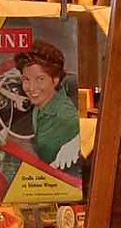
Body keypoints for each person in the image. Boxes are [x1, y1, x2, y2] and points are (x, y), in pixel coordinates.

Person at [14, 40, 80, 170]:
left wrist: (77, 143)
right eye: (26, 79)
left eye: (40, 79)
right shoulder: (41, 103)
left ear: (55, 80)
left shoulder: (65, 115)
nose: (31, 88)